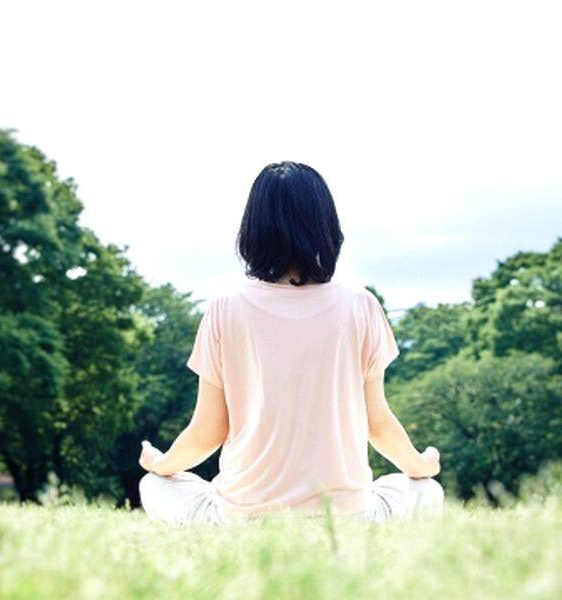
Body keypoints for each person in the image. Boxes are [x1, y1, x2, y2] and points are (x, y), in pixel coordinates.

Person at [138, 161, 444, 526]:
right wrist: (421, 466)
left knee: (154, 486)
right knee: (426, 491)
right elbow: (376, 422)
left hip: (243, 520)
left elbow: (209, 431)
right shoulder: (361, 306)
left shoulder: (224, 308)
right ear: (327, 226)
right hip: (348, 519)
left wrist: (160, 464)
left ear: (252, 230)